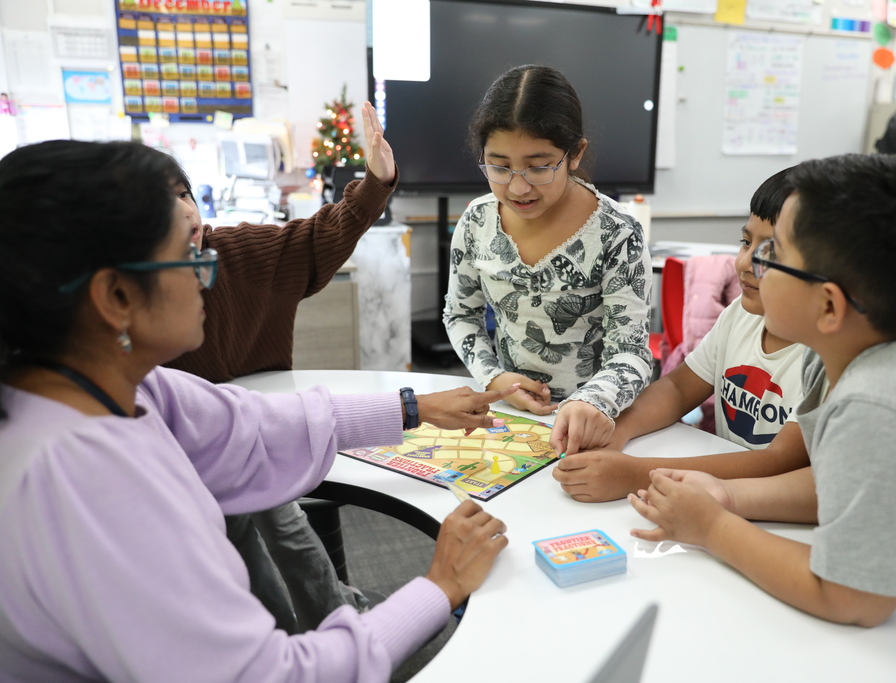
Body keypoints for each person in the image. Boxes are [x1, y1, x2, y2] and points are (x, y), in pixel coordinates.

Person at [0, 139, 513, 681]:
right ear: (116, 297)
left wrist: (414, 407)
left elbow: (254, 425)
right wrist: (440, 584)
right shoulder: (85, 480)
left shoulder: (120, 388)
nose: (207, 271)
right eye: (187, 254)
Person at [628, 154, 896, 661]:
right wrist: (727, 495)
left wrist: (710, 527)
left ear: (830, 306)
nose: (751, 265)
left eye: (775, 254)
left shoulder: (882, 406)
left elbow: (853, 597)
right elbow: (832, 482)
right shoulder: (868, 345)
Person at [164, 102, 402, 633]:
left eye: (184, 194)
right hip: (188, 460)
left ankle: (332, 620)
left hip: (248, 431)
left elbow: (316, 237)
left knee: (281, 522)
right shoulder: (139, 320)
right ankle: (287, 640)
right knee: (237, 543)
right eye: (164, 205)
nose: (185, 213)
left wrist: (375, 181)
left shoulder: (235, 255)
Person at [553, 168, 812, 502]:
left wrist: (638, 474)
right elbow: (677, 388)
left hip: (766, 506)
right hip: (717, 498)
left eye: (771, 253)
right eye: (746, 242)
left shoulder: (823, 356)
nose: (745, 263)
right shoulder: (741, 315)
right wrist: (616, 429)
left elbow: (778, 461)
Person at [443, 64, 653, 457]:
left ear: (575, 154)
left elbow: (632, 351)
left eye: (539, 166)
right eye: (499, 166)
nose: (518, 186)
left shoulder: (615, 232)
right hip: (509, 416)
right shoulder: (477, 221)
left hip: (595, 424)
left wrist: (591, 403)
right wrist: (495, 379)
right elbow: (460, 315)